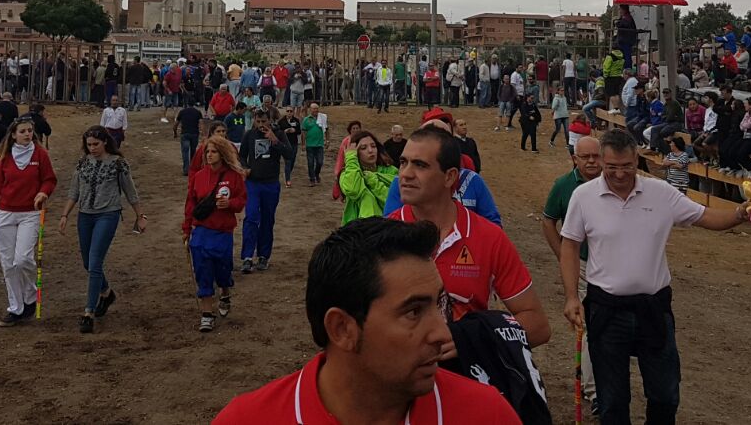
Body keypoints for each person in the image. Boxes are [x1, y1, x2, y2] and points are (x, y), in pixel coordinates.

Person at [215, 217, 520, 424]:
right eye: (413, 312)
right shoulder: (248, 419)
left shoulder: (485, 413)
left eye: (440, 304)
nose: (443, 333)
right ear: (342, 329)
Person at [557, 127, 747, 425]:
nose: (620, 174)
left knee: (664, 396)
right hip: (607, 310)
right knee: (612, 400)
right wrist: (571, 297)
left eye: (627, 167)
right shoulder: (583, 196)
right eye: (612, 168)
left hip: (653, 309)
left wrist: (739, 214)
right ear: (603, 163)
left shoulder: (661, 193)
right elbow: (569, 245)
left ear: (638, 160)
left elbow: (705, 216)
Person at [388, 126, 550, 347]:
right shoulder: (384, 237)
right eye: (403, 162)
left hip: (467, 375)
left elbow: (537, 326)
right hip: (399, 377)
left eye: (420, 165)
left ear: (450, 176)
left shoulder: (489, 237)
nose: (405, 174)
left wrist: (472, 340)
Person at [56, 126, 143, 333]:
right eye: (89, 145)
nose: (92, 148)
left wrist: (141, 215)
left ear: (105, 142)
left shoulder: (118, 163)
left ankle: (89, 311)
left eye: (96, 144)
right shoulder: (82, 162)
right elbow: (74, 191)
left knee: (95, 262)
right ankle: (106, 292)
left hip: (108, 214)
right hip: (85, 215)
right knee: (88, 262)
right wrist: (64, 215)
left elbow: (130, 191)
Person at [0, 117, 57, 326]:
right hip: (5, 213)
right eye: (23, 131)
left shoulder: (40, 154)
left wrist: (43, 193)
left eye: (30, 131)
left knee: (22, 259)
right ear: (13, 135)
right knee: (8, 263)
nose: (27, 134)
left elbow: (49, 179)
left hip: (30, 212)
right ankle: (16, 307)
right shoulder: (4, 157)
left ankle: (30, 296)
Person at [542, 135, 603, 412]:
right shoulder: (564, 186)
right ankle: (594, 392)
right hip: (582, 267)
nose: (592, 161)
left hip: (614, 267)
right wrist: (563, 256)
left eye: (596, 156)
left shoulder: (614, 181)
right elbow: (548, 221)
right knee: (590, 326)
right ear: (574, 158)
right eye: (586, 157)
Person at [183, 135, 246, 333]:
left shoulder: (234, 176)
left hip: (222, 232)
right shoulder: (198, 177)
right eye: (207, 152)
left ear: (223, 153)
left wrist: (230, 204)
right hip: (201, 231)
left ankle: (225, 291)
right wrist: (186, 229)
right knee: (202, 271)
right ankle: (206, 314)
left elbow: (242, 201)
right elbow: (190, 204)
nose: (209, 155)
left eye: (214, 152)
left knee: (223, 270)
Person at [239, 110, 292, 274]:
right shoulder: (249, 135)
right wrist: (245, 168)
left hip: (271, 183)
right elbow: (241, 156)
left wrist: (275, 141)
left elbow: (289, 154)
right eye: (258, 121)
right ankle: (247, 257)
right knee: (251, 217)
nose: (261, 125)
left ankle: (263, 256)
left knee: (268, 220)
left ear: (270, 121)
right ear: (254, 121)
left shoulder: (279, 134)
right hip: (253, 183)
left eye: (264, 121)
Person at [339, 131, 396, 223]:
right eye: (363, 148)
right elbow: (353, 190)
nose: (370, 150)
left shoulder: (391, 171)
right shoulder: (347, 174)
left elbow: (393, 201)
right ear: (355, 153)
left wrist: (372, 180)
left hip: (388, 228)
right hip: (357, 231)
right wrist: (351, 158)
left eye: (373, 146)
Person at [174, 101, 203, 177]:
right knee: (193, 152)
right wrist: (201, 133)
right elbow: (201, 123)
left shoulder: (182, 112)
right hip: (194, 133)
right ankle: (193, 168)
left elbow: (176, 124)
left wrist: (175, 132)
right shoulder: (197, 112)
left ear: (186, 104)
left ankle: (186, 170)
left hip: (185, 133)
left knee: (185, 152)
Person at [302, 103, 327, 186]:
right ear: (310, 109)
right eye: (314, 109)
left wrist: (327, 140)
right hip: (310, 145)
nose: (316, 110)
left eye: (317, 108)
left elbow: (326, 129)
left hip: (320, 144)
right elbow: (303, 132)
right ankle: (312, 179)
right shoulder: (306, 120)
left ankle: (316, 174)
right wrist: (303, 144)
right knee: (310, 163)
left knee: (320, 162)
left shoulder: (322, 118)